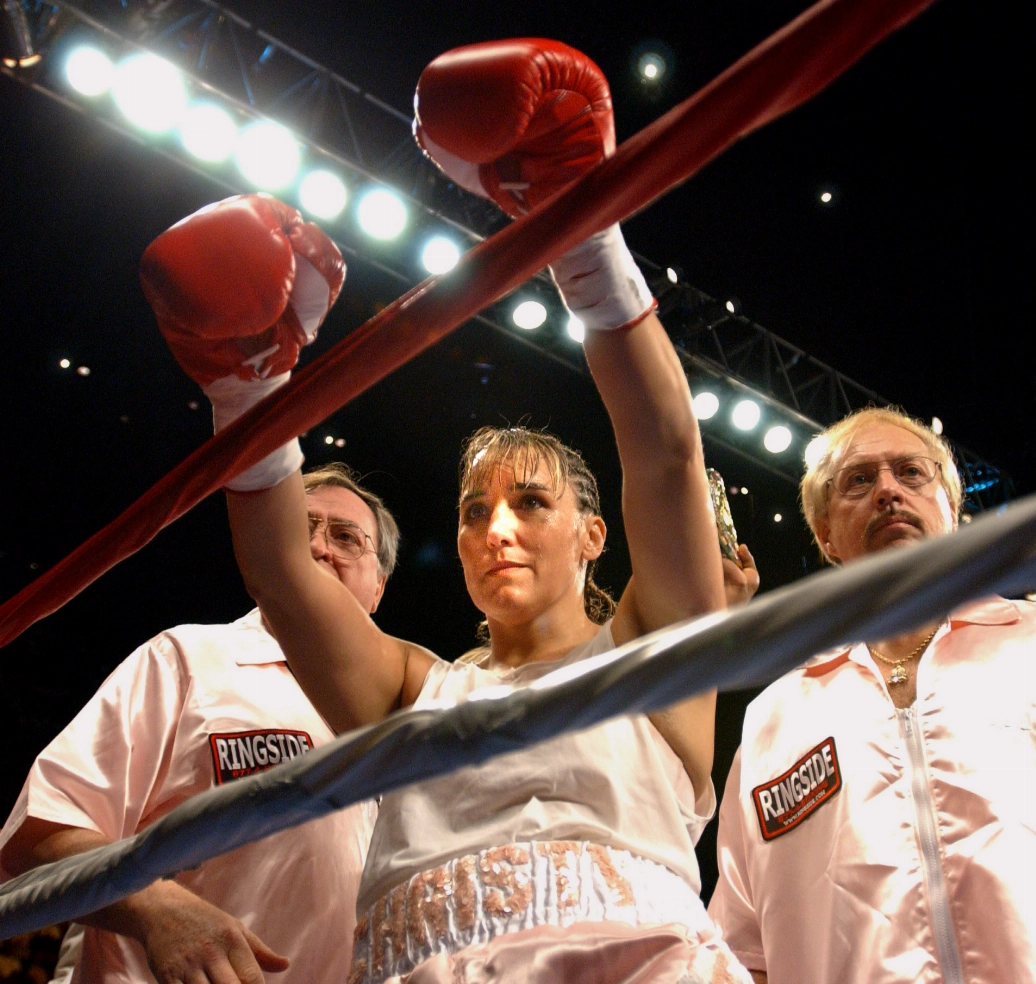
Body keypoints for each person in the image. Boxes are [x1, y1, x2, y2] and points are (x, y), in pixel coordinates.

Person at [144, 37, 755, 984]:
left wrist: (578, 233)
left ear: (595, 538)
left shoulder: (655, 655)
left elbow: (666, 449)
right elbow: (280, 574)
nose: (495, 529)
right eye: (474, 511)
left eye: (530, 503)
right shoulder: (409, 692)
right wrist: (246, 400)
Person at [0, 464, 395, 981]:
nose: (319, 547)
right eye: (302, 529)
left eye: (345, 537)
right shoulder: (189, 659)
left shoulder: (406, 719)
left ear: (378, 588)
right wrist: (156, 909)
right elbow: (37, 833)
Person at [707, 406, 1036, 984]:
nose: (888, 490)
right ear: (825, 533)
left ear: (952, 509)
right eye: (859, 480)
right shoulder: (772, 720)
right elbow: (745, 955)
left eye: (911, 473)